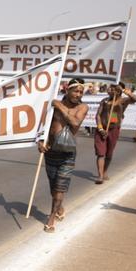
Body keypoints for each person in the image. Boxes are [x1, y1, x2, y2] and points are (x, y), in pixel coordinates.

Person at [37, 78, 88, 233]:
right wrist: (40, 141)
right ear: (67, 90)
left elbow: (75, 123)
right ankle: (59, 207)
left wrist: (59, 105)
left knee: (60, 187)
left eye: (81, 91)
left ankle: (51, 217)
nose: (78, 94)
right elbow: (42, 126)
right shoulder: (52, 106)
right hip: (51, 152)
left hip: (68, 154)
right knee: (53, 187)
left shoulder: (82, 107)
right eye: (76, 90)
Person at [94, 82, 136, 183]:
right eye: (110, 88)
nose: (110, 90)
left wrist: (126, 92)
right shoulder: (104, 101)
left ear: (118, 91)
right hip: (101, 130)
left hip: (114, 130)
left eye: (114, 88)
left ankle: (105, 171)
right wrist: (100, 129)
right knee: (101, 153)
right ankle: (100, 176)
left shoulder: (123, 101)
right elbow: (98, 115)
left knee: (109, 153)